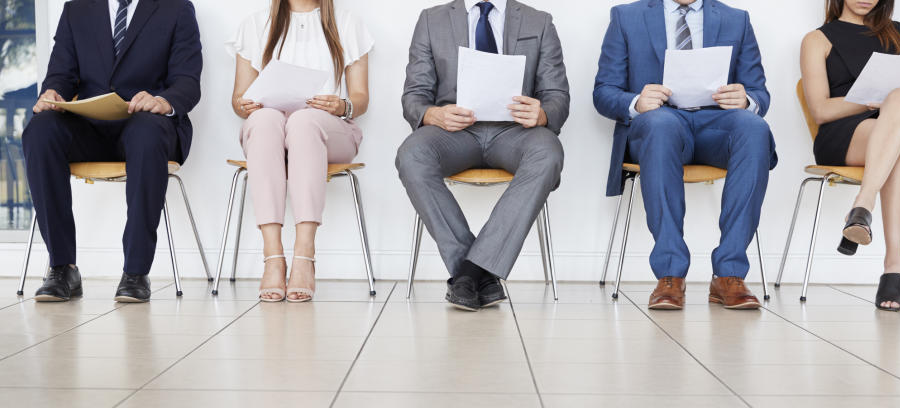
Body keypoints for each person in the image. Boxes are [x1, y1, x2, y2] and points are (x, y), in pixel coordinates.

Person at [594, 0, 777, 311]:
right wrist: (636, 101)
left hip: (715, 125)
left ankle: (729, 273)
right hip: (659, 126)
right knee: (661, 123)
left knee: (754, 127)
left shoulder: (736, 20)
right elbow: (604, 92)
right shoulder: (626, 17)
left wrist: (746, 99)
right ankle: (670, 274)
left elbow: (759, 92)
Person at [23, 0, 202, 303]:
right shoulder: (76, 9)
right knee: (40, 130)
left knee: (146, 133)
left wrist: (164, 101)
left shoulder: (176, 8)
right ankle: (62, 267)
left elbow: (187, 80)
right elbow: (61, 76)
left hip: (147, 125)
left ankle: (135, 272)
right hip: (89, 127)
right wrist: (53, 92)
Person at [396, 0, 569, 312]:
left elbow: (557, 96)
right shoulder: (431, 20)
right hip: (454, 132)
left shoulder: (538, 21)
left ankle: (469, 273)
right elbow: (414, 95)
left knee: (548, 152)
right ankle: (480, 270)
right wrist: (433, 114)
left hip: (516, 132)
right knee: (412, 154)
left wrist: (542, 114)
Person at [228, 0, 372, 303]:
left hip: (331, 131)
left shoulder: (347, 23)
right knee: (265, 118)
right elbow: (239, 99)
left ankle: (305, 255)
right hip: (271, 133)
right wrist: (245, 104)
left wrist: (342, 105)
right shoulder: (255, 24)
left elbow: (360, 97)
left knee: (303, 120)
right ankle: (273, 257)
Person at [801, 0, 900, 311]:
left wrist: (894, 103)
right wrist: (877, 98)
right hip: (846, 136)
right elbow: (821, 110)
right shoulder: (817, 40)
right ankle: (894, 268)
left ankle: (862, 206)